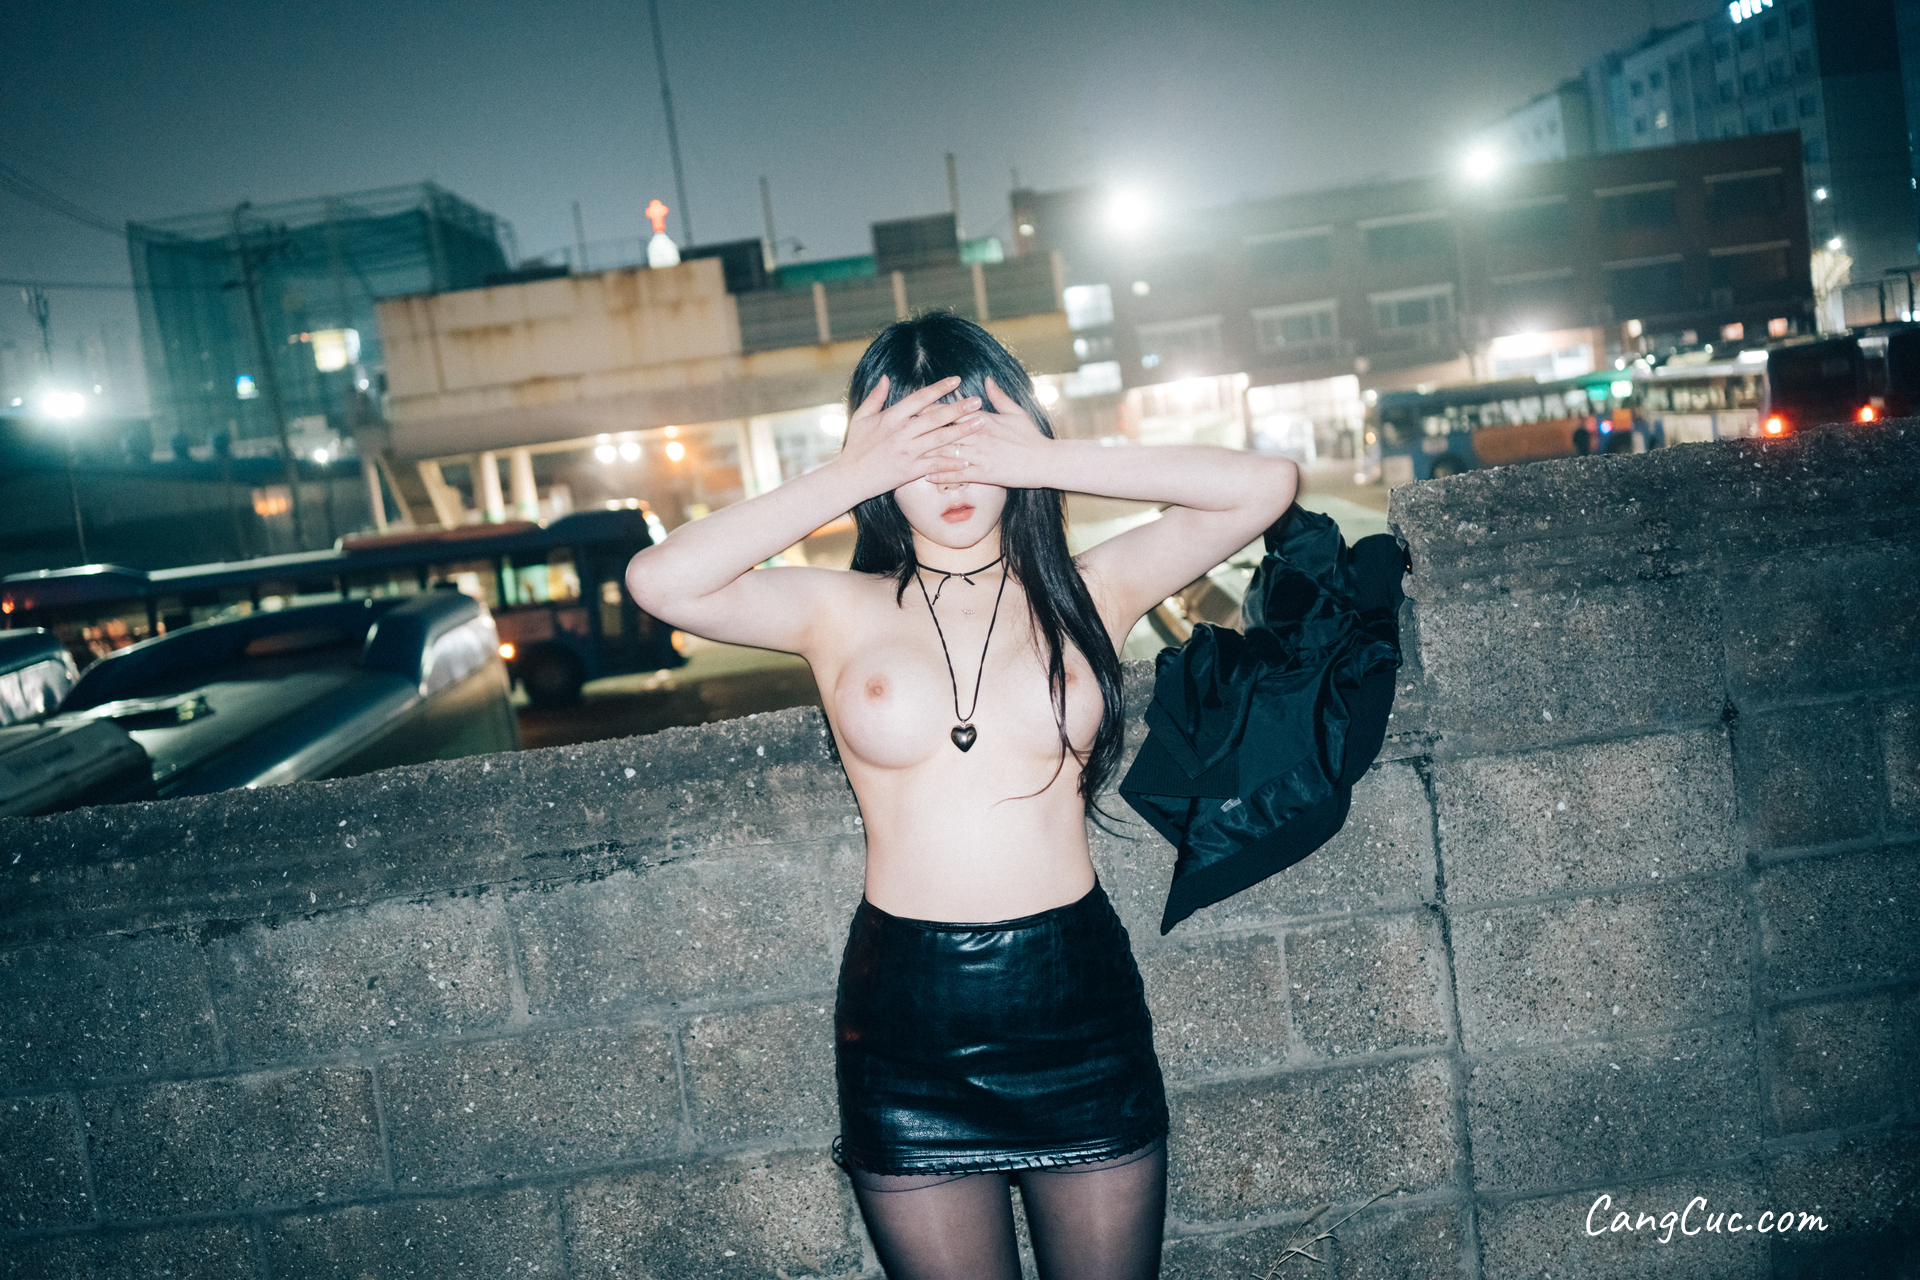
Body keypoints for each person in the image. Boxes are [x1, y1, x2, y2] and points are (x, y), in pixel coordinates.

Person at [626, 313, 1297, 1279]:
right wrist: (852, 473)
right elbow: (661, 580)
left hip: (1075, 997)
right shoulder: (834, 609)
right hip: (908, 1014)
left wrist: (1039, 459)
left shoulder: (1090, 590)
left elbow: (1263, 486)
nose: (950, 477)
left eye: (972, 444)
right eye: (919, 451)